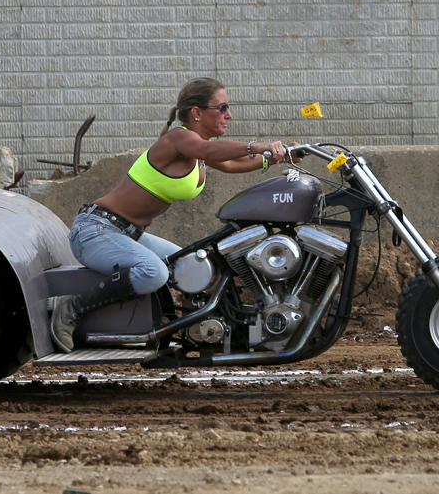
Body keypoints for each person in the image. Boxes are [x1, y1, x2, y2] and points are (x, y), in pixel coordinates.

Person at [50, 77, 298, 352]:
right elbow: (209, 149)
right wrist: (259, 144)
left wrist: (279, 157)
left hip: (126, 233)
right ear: (196, 112)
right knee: (153, 272)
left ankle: (195, 327)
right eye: (222, 107)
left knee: (191, 266)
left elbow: (230, 162)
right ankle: (71, 307)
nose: (229, 114)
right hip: (95, 231)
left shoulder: (198, 149)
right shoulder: (179, 139)